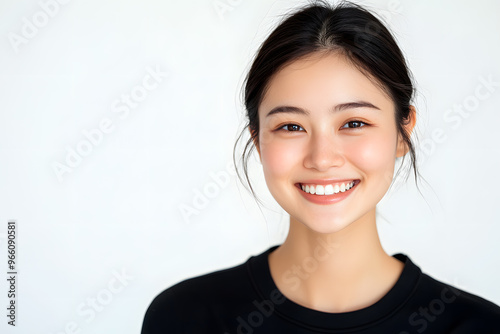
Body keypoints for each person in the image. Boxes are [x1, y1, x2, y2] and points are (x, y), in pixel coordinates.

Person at [141, 1, 500, 333]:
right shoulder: (185, 317)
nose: (322, 158)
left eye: (354, 123)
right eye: (291, 127)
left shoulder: (479, 326)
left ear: (403, 133)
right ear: (257, 140)